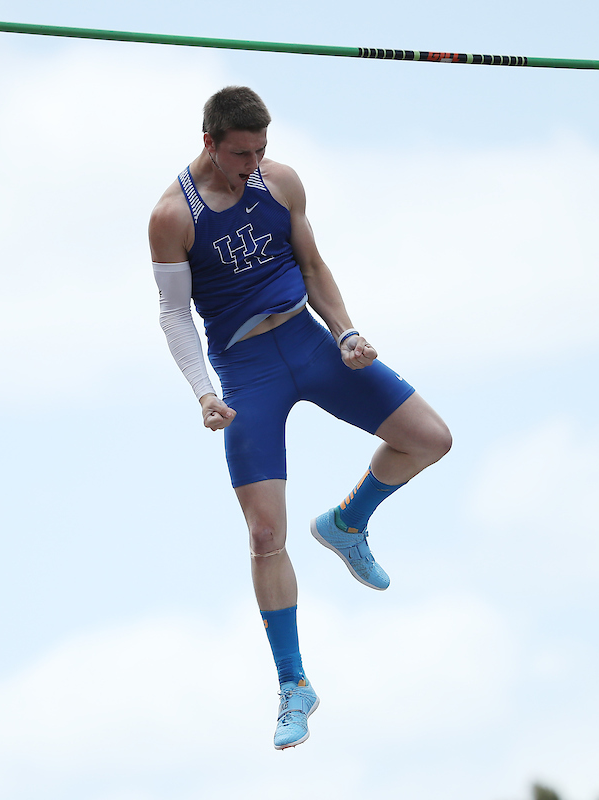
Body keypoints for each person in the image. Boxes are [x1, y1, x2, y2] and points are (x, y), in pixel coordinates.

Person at [148, 86, 451, 750]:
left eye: (261, 150)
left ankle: (347, 523)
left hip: (312, 345)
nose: (253, 164)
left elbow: (313, 265)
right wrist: (202, 391)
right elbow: (173, 313)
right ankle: (294, 686)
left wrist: (347, 333)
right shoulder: (173, 216)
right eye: (240, 154)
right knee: (264, 534)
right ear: (209, 143)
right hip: (246, 371)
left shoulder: (280, 183)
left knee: (430, 438)